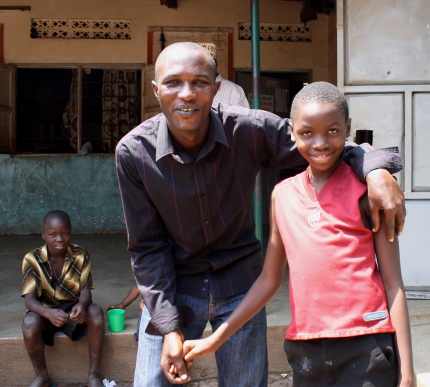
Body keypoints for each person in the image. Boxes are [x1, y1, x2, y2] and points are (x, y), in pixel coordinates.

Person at [115, 42, 405, 387]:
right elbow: (147, 247)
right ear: (156, 89)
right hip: (174, 284)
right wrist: (168, 326)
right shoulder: (133, 154)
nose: (187, 94)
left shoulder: (247, 130)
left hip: (239, 280)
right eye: (174, 82)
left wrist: (376, 171)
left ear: (216, 88)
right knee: (151, 382)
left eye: (200, 82)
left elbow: (322, 141)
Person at [182, 82, 414, 387]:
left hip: (367, 342)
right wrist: (216, 338)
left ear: (348, 128)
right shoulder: (283, 195)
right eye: (307, 133)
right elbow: (268, 280)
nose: (320, 143)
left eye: (332, 131)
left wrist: (407, 373)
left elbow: (393, 283)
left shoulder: (368, 192)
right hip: (306, 348)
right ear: (292, 132)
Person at [21, 210, 104, 387]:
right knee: (29, 323)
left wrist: (82, 305)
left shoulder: (80, 255)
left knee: (95, 312)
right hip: (45, 312)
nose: (59, 239)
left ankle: (93, 376)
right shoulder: (31, 259)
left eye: (65, 233)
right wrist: (48, 313)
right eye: (53, 234)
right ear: (43, 234)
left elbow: (86, 291)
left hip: (73, 311)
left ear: (70, 233)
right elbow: (29, 300)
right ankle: (42, 377)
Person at [198, 43, 250, 108]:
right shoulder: (190, 90)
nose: (200, 67)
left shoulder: (233, 90)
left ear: (215, 63)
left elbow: (241, 117)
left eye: (204, 63)